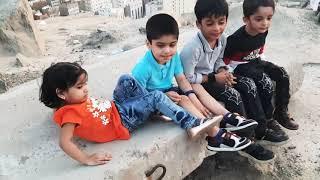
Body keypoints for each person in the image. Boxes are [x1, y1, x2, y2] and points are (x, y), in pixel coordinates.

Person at [39, 62, 252, 165]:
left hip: (118, 108)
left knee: (126, 79)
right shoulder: (69, 114)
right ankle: (191, 123)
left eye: (85, 84)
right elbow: (65, 142)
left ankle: (155, 108)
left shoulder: (72, 103)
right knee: (156, 98)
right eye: (79, 87)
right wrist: (86, 159)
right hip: (124, 121)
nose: (86, 90)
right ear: (61, 93)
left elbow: (62, 108)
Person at [132, 13, 256, 152]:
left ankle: (227, 116)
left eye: (172, 45)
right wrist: (163, 97)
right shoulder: (142, 68)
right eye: (160, 45)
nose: (167, 51)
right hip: (154, 101)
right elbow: (137, 98)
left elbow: (181, 79)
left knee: (195, 85)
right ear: (148, 44)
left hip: (168, 92)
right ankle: (216, 136)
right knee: (183, 98)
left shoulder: (173, 57)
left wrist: (194, 98)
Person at [180, 0, 283, 162]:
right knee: (233, 95)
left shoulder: (222, 40)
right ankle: (247, 142)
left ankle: (260, 128)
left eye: (221, 22)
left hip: (215, 77)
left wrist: (222, 71)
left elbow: (220, 60)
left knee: (248, 85)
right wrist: (215, 77)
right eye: (210, 23)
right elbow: (188, 78)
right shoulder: (192, 49)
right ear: (198, 24)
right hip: (200, 83)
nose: (217, 28)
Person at [223, 0, 299, 130]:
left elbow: (260, 48)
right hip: (238, 66)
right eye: (259, 19)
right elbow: (224, 60)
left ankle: (281, 112)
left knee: (282, 73)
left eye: (269, 18)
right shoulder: (235, 40)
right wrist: (227, 74)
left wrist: (264, 62)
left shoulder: (263, 31)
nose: (265, 23)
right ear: (246, 19)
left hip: (255, 61)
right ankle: (267, 120)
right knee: (265, 83)